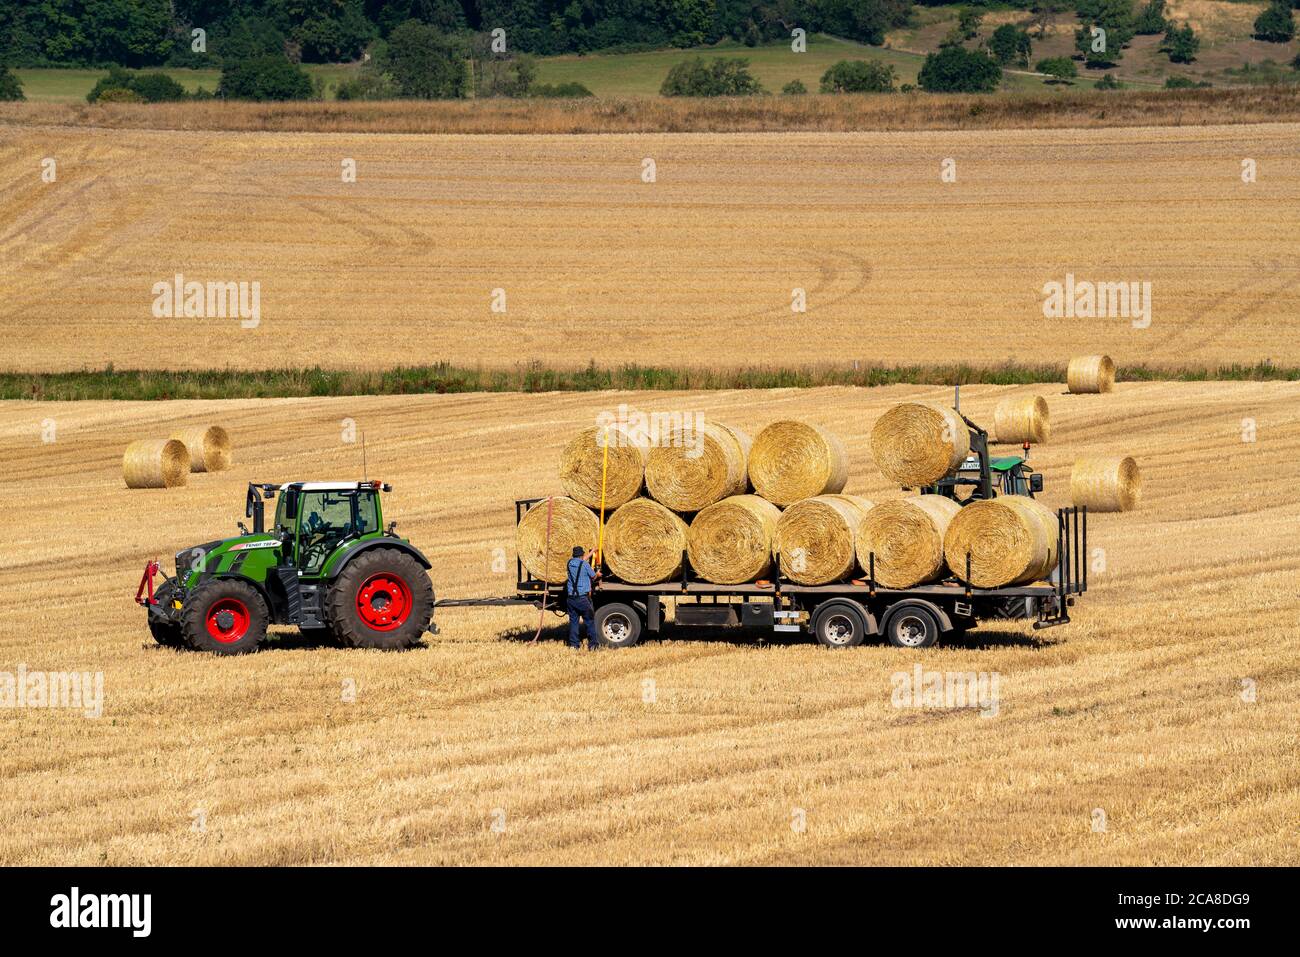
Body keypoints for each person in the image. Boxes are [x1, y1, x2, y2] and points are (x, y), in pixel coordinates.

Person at [565, 545, 599, 650]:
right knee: (589, 622)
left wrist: (592, 551)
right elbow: (594, 576)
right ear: (582, 555)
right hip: (583, 599)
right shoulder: (585, 565)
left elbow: (581, 561)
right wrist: (598, 573)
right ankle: (593, 645)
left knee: (574, 623)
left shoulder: (569, 563)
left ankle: (574, 645)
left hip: (571, 599)